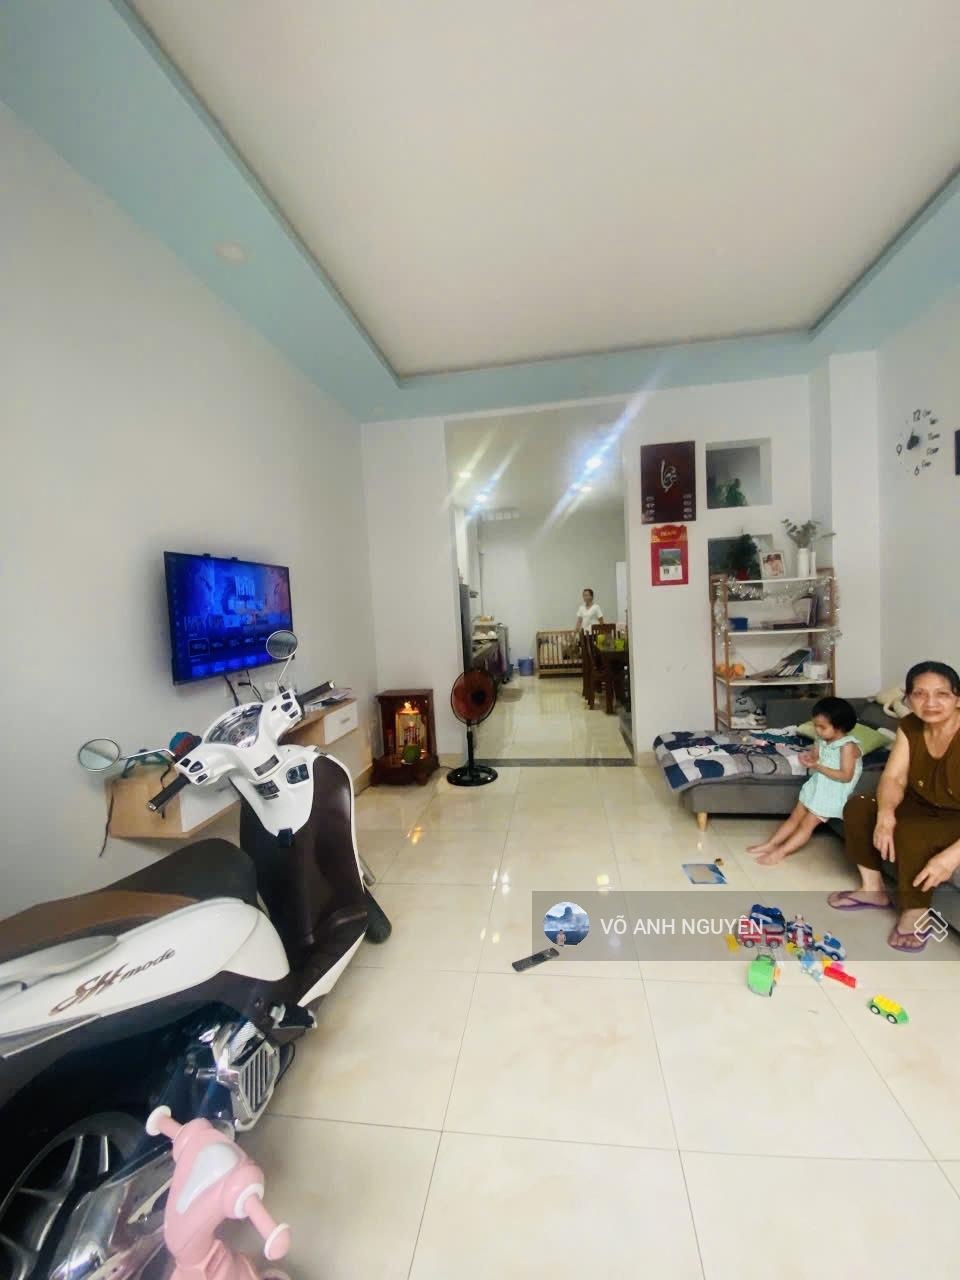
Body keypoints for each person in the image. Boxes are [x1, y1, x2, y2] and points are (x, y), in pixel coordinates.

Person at [827, 661, 960, 952]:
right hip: (921, 802)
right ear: (908, 699)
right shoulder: (910, 725)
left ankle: (915, 912)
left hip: (955, 816)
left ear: (958, 698)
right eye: (920, 694)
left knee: (911, 832)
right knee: (860, 806)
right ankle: (872, 890)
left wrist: (951, 857)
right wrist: (885, 814)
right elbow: (894, 777)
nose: (930, 703)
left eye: (942, 694)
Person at [747, 697, 862, 864]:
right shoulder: (821, 740)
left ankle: (780, 853)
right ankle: (770, 844)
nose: (817, 730)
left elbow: (846, 776)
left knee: (806, 825)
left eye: (822, 727)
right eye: (815, 725)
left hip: (833, 792)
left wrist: (817, 766)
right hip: (818, 784)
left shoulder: (847, 746)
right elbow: (816, 756)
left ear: (839, 727)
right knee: (794, 817)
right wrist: (808, 757)